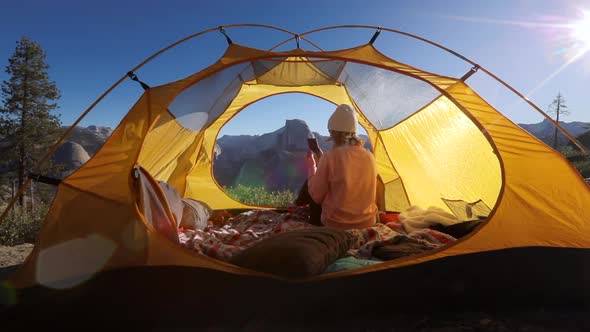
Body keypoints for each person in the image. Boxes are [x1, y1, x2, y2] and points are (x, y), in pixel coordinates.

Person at [297, 104, 378, 230]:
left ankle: (296, 205)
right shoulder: (370, 156)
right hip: (367, 223)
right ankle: (296, 204)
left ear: (334, 132)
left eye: (330, 132)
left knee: (312, 183)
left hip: (335, 224)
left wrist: (312, 166)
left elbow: (316, 196)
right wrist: (321, 158)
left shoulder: (330, 157)